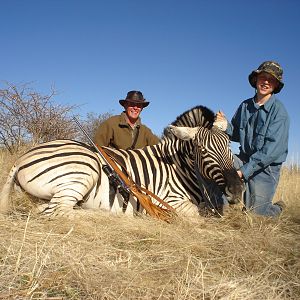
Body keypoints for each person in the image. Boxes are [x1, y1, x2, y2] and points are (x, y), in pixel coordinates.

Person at [215, 61, 289, 217]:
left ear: (276, 85)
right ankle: (222, 204)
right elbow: (235, 133)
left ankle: (278, 208)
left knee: (255, 216)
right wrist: (224, 125)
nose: (266, 82)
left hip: (265, 168)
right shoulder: (245, 106)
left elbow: (269, 153)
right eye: (263, 77)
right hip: (243, 159)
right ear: (256, 80)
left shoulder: (279, 112)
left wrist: (242, 172)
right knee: (217, 160)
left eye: (271, 79)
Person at [94, 90, 160, 149]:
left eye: (139, 105)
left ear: (142, 108)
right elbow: (97, 148)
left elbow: (160, 147)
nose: (135, 108)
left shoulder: (146, 131)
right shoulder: (111, 123)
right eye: (132, 104)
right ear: (125, 106)